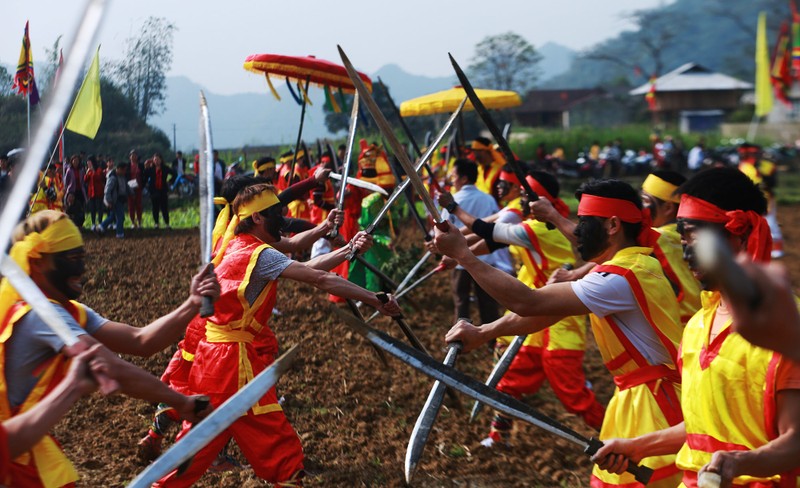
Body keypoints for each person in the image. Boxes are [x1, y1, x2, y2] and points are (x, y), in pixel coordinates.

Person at [436, 179, 685, 487]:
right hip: (640, 399)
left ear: (612, 225)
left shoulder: (620, 277)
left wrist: (465, 256)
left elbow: (527, 302)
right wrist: (485, 332)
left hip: (657, 406)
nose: (576, 230)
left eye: (584, 222)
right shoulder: (623, 267)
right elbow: (543, 312)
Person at [154, 183, 400, 487]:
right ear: (257, 217)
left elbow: (306, 265)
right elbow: (318, 277)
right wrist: (375, 298)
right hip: (234, 363)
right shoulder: (259, 253)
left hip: (213, 358)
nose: (282, 219)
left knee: (198, 446)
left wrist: (347, 250)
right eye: (275, 213)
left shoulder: (237, 244)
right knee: (276, 446)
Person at [592, 168, 800, 487]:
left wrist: (738, 463)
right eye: (682, 236)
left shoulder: (786, 324)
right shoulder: (698, 324)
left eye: (693, 235)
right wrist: (638, 446)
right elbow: (703, 424)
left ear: (739, 233)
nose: (685, 251)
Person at [0, 210, 219, 487]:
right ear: (39, 262)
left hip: (24, 443)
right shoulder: (41, 316)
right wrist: (182, 402)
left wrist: (192, 303)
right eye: (70, 259)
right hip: (11, 453)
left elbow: (141, 341)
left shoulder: (67, 311)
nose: (80, 269)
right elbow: (110, 367)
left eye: (82, 257)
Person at [442, 170, 605, 444]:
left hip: (561, 313)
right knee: (511, 375)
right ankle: (499, 434)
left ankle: (614, 434)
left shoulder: (539, 229)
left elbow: (487, 231)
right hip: (535, 310)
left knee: (571, 392)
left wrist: (453, 213)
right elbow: (492, 240)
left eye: (524, 195)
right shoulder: (531, 225)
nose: (519, 200)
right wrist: (455, 252)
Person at [440, 158, 510, 325]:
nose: (452, 179)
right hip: (485, 259)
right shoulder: (488, 199)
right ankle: (493, 339)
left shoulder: (453, 201)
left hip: (458, 261)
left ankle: (460, 339)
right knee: (488, 301)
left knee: (461, 301)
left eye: (454, 175)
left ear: (464, 178)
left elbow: (443, 229)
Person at [144, 152, 176, 229]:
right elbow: (144, 176)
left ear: (161, 160)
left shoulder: (165, 168)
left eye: (158, 159)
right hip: (154, 191)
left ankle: (167, 224)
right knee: (155, 208)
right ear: (153, 161)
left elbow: (175, 174)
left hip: (163, 190)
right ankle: (156, 223)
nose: (156, 161)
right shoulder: (151, 169)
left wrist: (170, 182)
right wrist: (146, 166)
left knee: (164, 207)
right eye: (155, 160)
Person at [99, 161, 128, 238]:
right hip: (115, 200)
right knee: (120, 216)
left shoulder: (122, 177)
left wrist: (131, 192)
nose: (125, 172)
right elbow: (107, 190)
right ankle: (119, 233)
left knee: (113, 216)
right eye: (124, 170)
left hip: (121, 199)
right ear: (118, 169)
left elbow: (126, 186)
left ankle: (101, 226)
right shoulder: (112, 178)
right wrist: (109, 201)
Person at [63, 154, 86, 229]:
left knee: (81, 208)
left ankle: (80, 224)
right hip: (72, 191)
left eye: (77, 161)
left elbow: (83, 180)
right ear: (71, 161)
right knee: (71, 208)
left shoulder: (81, 170)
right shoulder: (69, 170)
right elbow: (66, 181)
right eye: (74, 160)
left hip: (80, 191)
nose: (76, 162)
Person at [84, 155, 105, 232]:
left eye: (89, 163)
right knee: (92, 209)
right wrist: (87, 173)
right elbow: (85, 180)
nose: (88, 165)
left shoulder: (99, 169)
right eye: (87, 163)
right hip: (91, 192)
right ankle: (93, 223)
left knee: (99, 208)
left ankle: (100, 223)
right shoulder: (88, 170)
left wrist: (93, 170)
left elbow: (99, 178)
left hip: (99, 192)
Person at [127, 150, 145, 229]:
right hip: (130, 188)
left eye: (135, 155)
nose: (133, 157)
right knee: (131, 206)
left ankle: (140, 222)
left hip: (139, 188)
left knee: (139, 205)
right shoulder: (127, 166)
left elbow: (144, 175)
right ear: (129, 157)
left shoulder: (141, 165)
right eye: (132, 155)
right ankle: (133, 222)